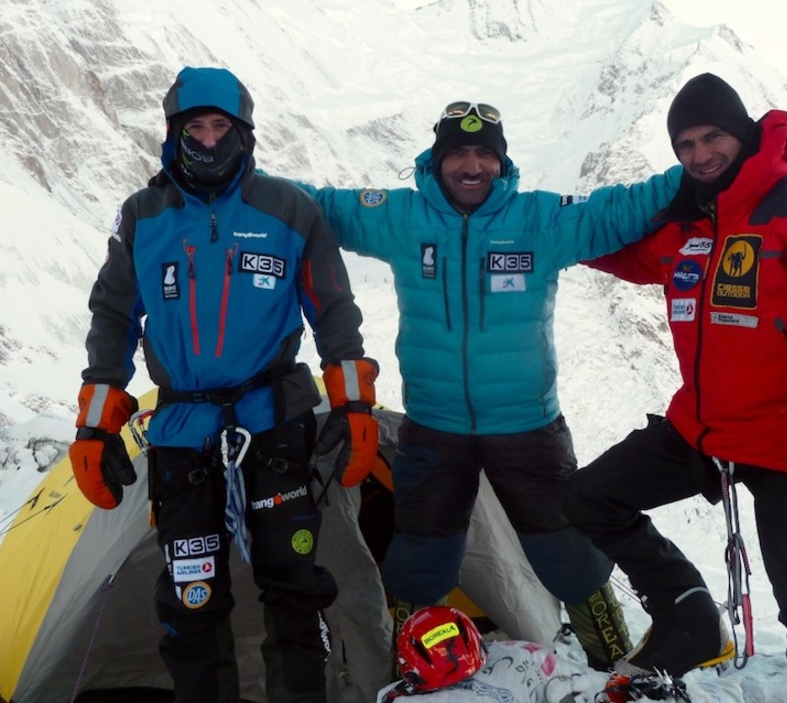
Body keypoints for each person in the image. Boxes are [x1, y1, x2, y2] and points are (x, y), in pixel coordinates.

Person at [295, 100, 682, 671]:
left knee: (571, 555)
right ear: (437, 160)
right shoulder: (401, 217)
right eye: (459, 153)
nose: (473, 166)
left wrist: (710, 165)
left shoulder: (539, 220)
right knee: (419, 560)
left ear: (502, 163)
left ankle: (615, 666)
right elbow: (312, 206)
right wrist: (235, 173)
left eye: (485, 154)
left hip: (528, 428)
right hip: (433, 428)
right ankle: (410, 673)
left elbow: (625, 209)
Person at [564, 73, 787, 702]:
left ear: (743, 134)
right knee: (591, 498)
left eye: (712, 137)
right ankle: (689, 616)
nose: (700, 154)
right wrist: (555, 230)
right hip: (701, 428)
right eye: (685, 144)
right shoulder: (687, 224)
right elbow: (627, 256)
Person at [68, 66, 380, 703]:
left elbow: (334, 312)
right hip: (183, 432)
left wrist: (354, 405)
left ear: (244, 133)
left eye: (221, 127)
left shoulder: (290, 210)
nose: (209, 141)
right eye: (195, 129)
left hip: (275, 422)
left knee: (294, 586)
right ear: (172, 134)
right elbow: (113, 317)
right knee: (192, 596)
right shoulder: (143, 216)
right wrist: (96, 424)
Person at [377, 605, 614, 702]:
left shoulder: (393, 697)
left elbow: (598, 680)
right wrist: (626, 672)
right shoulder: (521, 653)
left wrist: (626, 673)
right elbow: (600, 679)